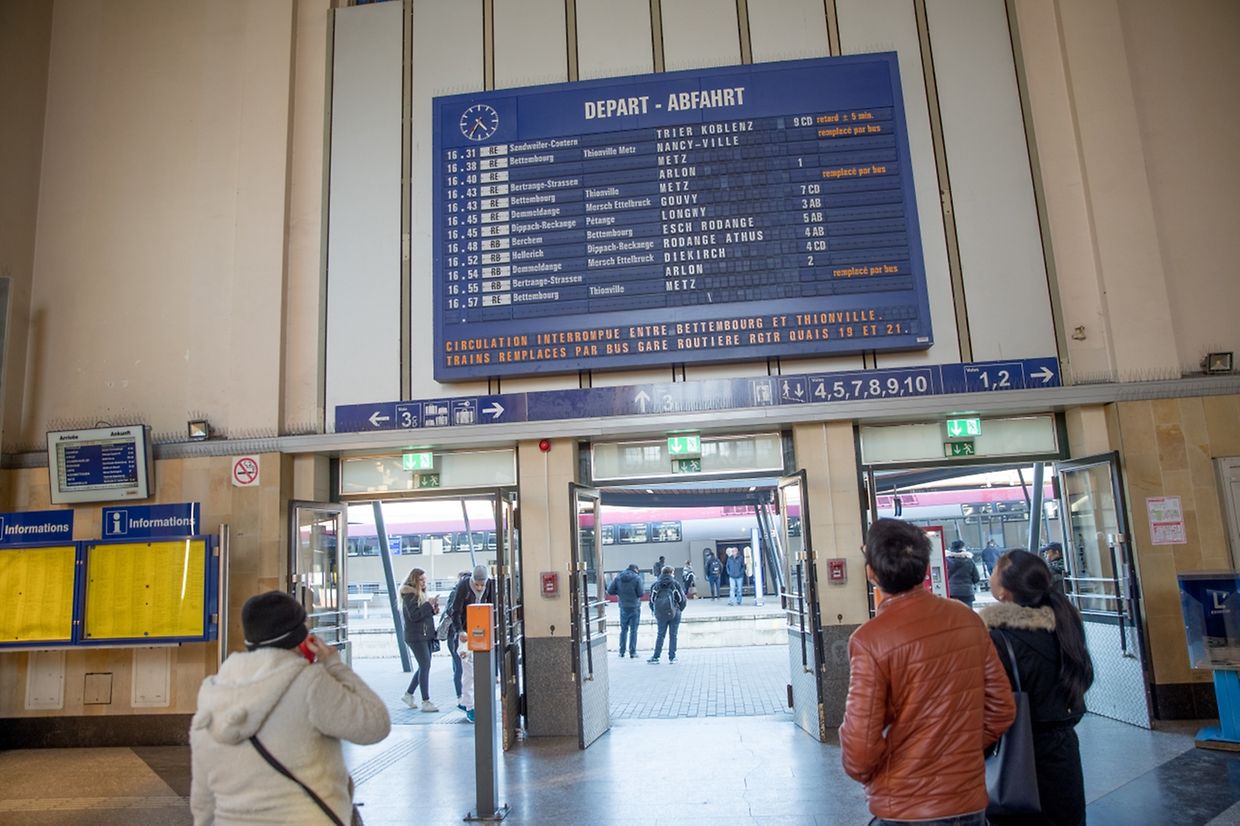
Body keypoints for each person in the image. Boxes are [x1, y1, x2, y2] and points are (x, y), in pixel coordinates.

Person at [840, 518, 1015, 825]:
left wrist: (889, 769)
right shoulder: (966, 618)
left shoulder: (870, 640)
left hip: (905, 805)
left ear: (871, 573)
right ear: (924, 569)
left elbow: (860, 749)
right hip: (968, 801)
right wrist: (959, 752)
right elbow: (1001, 709)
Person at [190, 591, 390, 824]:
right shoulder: (310, 684)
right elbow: (376, 724)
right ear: (301, 637)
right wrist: (334, 665)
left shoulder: (212, 694)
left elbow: (203, 799)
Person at [982, 549, 1093, 826]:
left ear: (1005, 592)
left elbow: (992, 706)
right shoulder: (1065, 623)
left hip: (1018, 753)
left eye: (995, 569)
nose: (991, 573)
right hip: (1064, 750)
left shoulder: (999, 638)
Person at [451, 564, 496, 723]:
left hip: (483, 632)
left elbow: (492, 607)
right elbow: (455, 611)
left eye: (482, 584)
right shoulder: (463, 586)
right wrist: (460, 631)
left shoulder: (490, 585)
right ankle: (470, 706)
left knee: (480, 670)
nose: (479, 587)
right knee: (468, 670)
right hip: (466, 633)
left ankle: (468, 702)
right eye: (477, 584)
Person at [400, 567, 440, 712]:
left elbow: (422, 614)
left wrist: (433, 609)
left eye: (425, 579)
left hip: (424, 635)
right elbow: (415, 616)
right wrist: (428, 605)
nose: (424, 583)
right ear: (414, 580)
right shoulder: (410, 595)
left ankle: (409, 695)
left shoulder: (420, 593)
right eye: (421, 580)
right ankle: (426, 701)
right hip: (416, 637)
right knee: (425, 665)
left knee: (424, 665)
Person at [439, 570, 471, 707]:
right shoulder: (457, 594)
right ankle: (461, 698)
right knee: (460, 667)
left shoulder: (458, 593)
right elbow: (453, 613)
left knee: (459, 666)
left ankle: (463, 698)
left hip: (458, 634)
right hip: (456, 634)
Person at [647, 566, 686, 664]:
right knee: (673, 635)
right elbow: (682, 599)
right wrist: (679, 609)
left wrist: (655, 611)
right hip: (674, 612)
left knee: (660, 635)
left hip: (660, 614)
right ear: (671, 573)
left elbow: (651, 600)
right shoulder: (675, 584)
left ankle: (656, 657)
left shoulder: (656, 585)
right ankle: (672, 657)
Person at [607, 563, 644, 658]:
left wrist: (619, 593)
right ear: (636, 569)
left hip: (623, 606)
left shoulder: (618, 577)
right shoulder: (637, 578)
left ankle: (621, 651)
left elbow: (610, 591)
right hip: (634, 606)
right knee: (633, 630)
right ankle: (633, 652)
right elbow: (640, 593)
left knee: (623, 630)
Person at [946, 539, 979, 608]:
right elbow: (976, 578)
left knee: (954, 615)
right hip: (967, 592)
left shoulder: (946, 561)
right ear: (963, 548)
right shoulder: (970, 561)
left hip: (952, 592)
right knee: (968, 615)